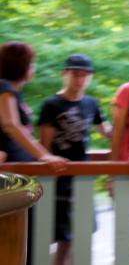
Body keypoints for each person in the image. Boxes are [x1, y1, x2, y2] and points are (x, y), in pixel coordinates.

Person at [37, 53, 112, 265]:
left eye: (84, 75)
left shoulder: (91, 103)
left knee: (82, 232)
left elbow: (106, 131)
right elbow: (45, 146)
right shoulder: (51, 105)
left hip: (83, 176)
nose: (79, 79)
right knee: (61, 235)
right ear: (65, 75)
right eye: (75, 74)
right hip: (58, 178)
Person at [0, 41, 67, 265]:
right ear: (22, 65)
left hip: (20, 180)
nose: (34, 67)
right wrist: (43, 155)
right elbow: (11, 125)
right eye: (31, 62)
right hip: (12, 183)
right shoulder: (5, 88)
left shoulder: (9, 90)